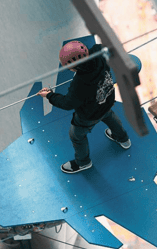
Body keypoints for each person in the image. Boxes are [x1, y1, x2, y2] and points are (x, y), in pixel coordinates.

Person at [38, 40, 131, 174]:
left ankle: (83, 163)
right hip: (106, 100)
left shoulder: (80, 83)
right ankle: (123, 139)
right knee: (109, 116)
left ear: (72, 66)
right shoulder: (100, 51)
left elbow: (67, 103)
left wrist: (49, 96)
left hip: (89, 115)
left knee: (76, 136)